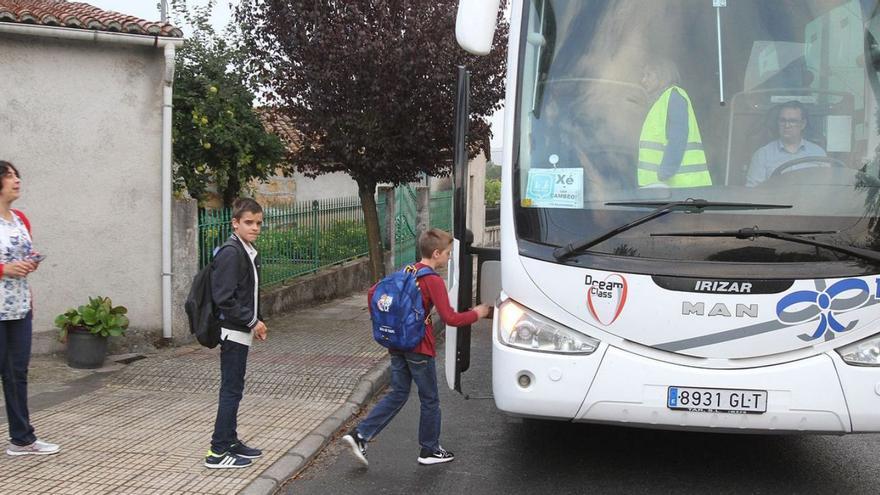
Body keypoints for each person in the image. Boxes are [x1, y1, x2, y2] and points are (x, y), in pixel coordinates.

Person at [342, 228, 490, 467]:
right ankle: (429, 449)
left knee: (399, 393)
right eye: (448, 253)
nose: (449, 258)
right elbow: (450, 318)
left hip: (396, 344)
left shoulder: (406, 271)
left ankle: (360, 435)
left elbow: (373, 295)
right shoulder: (432, 280)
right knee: (430, 399)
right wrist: (477, 313)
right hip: (419, 347)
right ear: (436, 253)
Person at [0, 160, 59, 456]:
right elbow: (5, 264)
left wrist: (30, 262)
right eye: (9, 176)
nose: (17, 180)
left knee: (17, 373)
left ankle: (22, 439)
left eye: (17, 175)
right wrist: (3, 269)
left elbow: (24, 254)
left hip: (19, 307)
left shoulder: (21, 218)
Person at [204, 197, 268, 469]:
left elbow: (248, 292)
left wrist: (257, 319)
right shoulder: (232, 252)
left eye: (259, 223)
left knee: (235, 389)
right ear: (235, 223)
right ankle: (218, 451)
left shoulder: (246, 250)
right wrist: (253, 321)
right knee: (230, 390)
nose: (255, 228)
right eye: (249, 223)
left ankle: (230, 440)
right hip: (232, 332)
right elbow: (224, 298)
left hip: (241, 331)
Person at [637, 59, 712, 188]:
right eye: (643, 75)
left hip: (682, 189)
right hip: (661, 188)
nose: (643, 80)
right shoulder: (661, 100)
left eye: (648, 75)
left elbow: (678, 135)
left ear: (663, 75)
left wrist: (666, 171)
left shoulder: (674, 96)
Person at [745, 100, 826, 187]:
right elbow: (752, 191)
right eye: (782, 120)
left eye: (792, 121)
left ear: (803, 124)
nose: (787, 125)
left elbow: (827, 188)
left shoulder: (818, 153)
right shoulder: (763, 154)